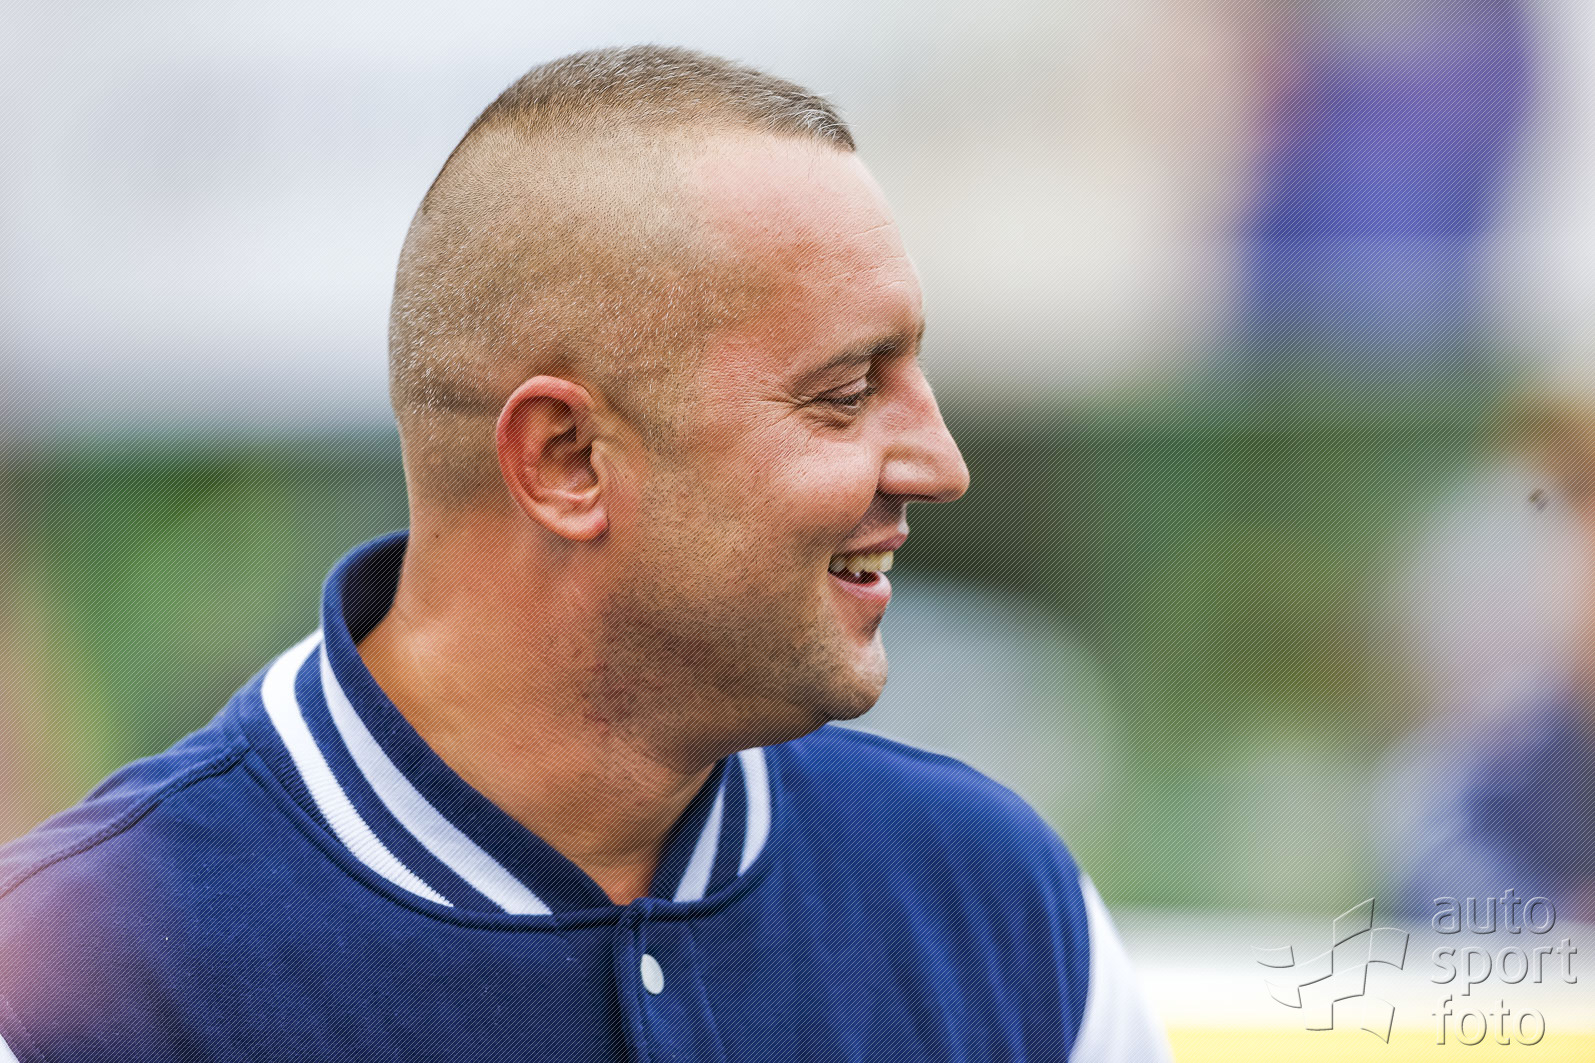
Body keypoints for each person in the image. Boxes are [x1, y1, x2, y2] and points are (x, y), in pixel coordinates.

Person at [0, 46, 1170, 1061]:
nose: (939, 463)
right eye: (846, 392)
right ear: (565, 457)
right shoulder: (72, 993)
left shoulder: (993, 899)